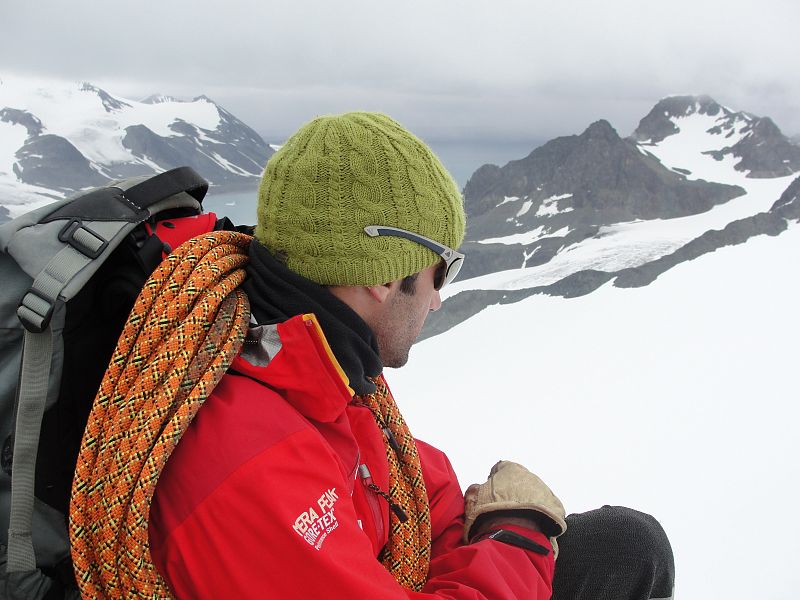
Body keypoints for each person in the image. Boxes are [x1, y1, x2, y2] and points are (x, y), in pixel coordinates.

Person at [148, 112, 674, 599]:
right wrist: (520, 539)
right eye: (441, 269)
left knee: (630, 546)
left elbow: (418, 495)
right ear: (383, 275)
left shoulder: (317, 362)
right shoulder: (249, 464)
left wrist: (492, 526)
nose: (439, 297)